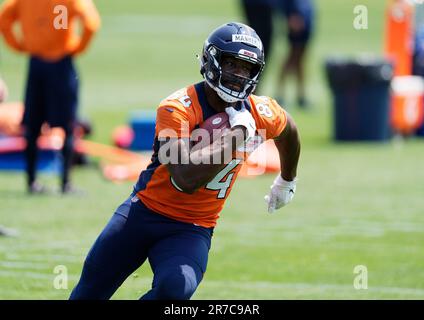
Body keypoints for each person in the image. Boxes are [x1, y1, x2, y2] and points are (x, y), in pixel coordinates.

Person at [70, 22, 301, 300]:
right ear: (211, 60)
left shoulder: (260, 111)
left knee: (174, 291)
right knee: (89, 293)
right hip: (143, 213)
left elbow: (289, 132)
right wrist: (236, 135)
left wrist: (287, 179)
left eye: (246, 68)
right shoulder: (177, 108)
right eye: (231, 64)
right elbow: (184, 178)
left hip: (192, 227)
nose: (239, 75)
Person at [0, 0, 100, 194]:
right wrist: (79, 47)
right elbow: (91, 23)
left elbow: (4, 20)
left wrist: (19, 45)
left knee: (32, 125)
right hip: (61, 64)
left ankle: (31, 182)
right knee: (68, 125)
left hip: (36, 64)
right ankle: (65, 183)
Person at [275, 0, 315, 109]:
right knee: (293, 57)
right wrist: (292, 15)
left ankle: (301, 96)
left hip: (306, 18)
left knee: (300, 59)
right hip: (298, 19)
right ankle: (280, 94)